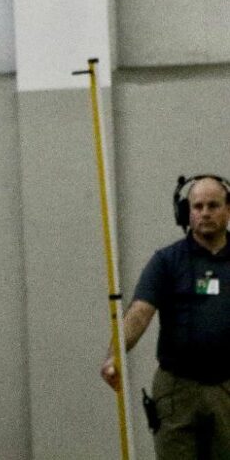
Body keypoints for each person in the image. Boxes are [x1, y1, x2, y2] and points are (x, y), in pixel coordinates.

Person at [100, 175, 230, 459]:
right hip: (178, 391)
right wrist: (116, 355)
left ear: (228, 209)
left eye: (213, 205)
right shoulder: (167, 262)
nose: (205, 213)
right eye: (197, 206)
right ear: (186, 212)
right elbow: (139, 313)